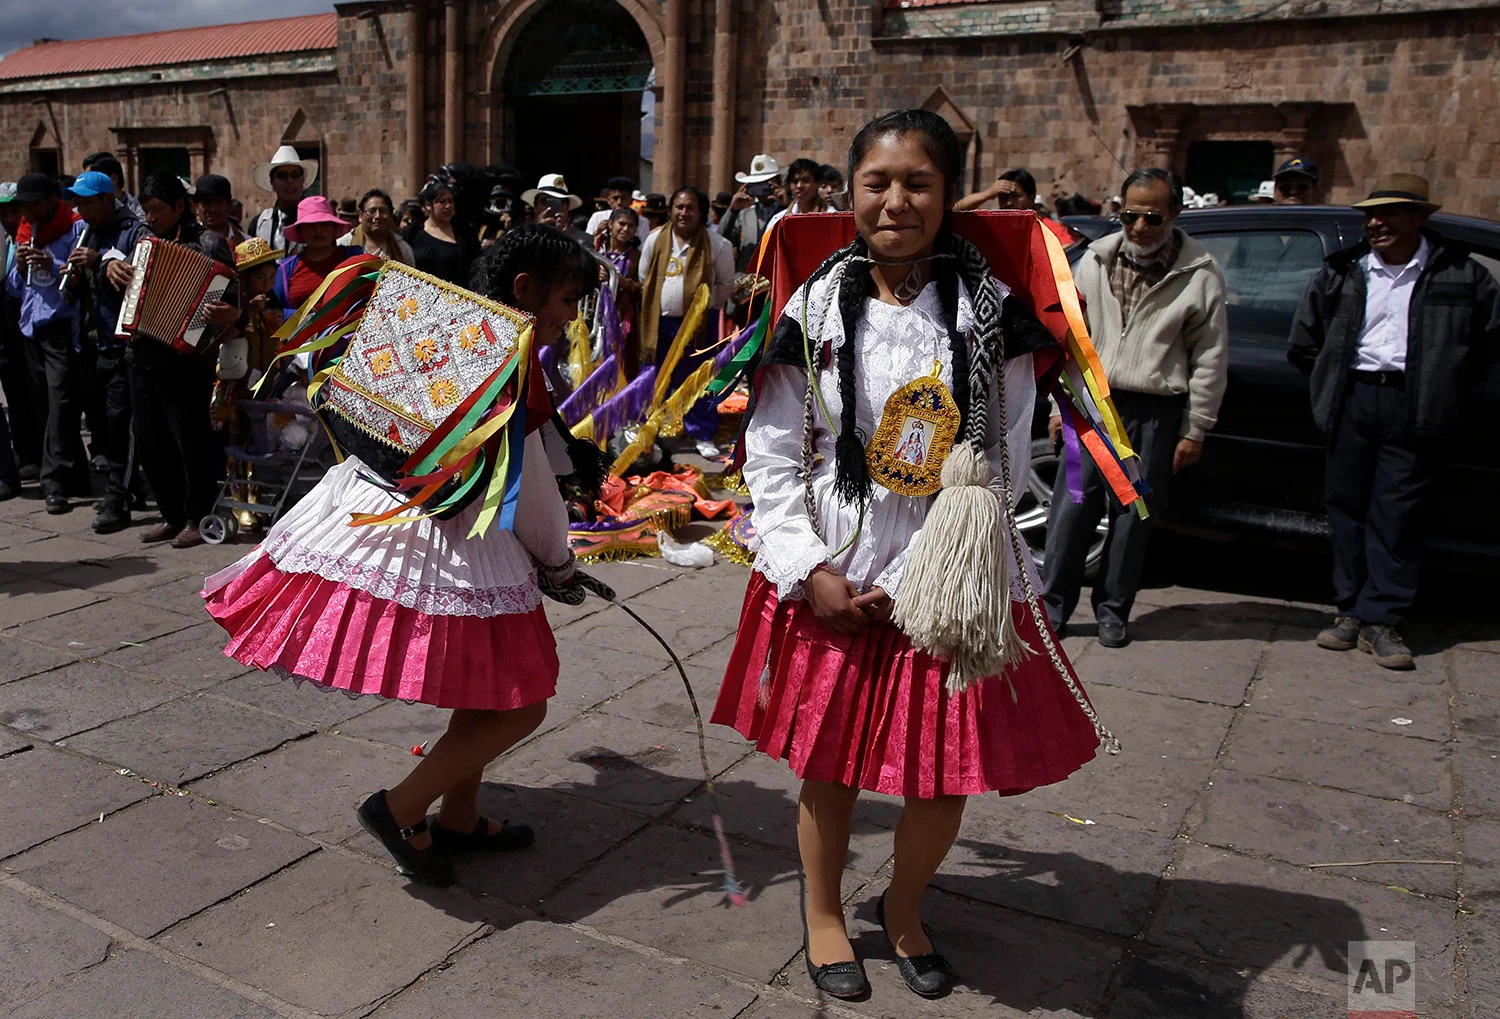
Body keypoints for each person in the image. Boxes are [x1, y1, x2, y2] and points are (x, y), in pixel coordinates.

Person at [711, 108, 1108, 1002]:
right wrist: (810, 567)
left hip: (951, 573)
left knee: (939, 773)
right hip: (833, 564)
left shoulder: (991, 314)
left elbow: (1002, 460)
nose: (896, 201)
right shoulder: (811, 306)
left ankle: (903, 907)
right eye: (877, 183)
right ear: (849, 192)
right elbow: (775, 456)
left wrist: (919, 580)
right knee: (832, 762)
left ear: (949, 194)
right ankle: (821, 914)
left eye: (917, 183)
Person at [202, 225, 610, 887]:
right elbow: (529, 481)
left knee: (489, 682)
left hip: (391, 508)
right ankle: (401, 807)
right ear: (525, 290)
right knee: (522, 699)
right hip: (444, 538)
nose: (571, 315)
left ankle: (460, 813)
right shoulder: (507, 350)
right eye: (567, 299)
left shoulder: (446, 323)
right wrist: (558, 562)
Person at [1289, 173, 1500, 669]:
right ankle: (1348, 611)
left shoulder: (1461, 275)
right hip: (1354, 400)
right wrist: (1330, 387)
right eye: (1370, 214)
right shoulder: (1343, 271)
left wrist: (1447, 389)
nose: (1375, 223)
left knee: (1398, 514)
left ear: (1420, 218)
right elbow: (1305, 342)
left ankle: (1382, 619)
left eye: (1389, 214)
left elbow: (1489, 348)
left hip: (1416, 405)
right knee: (1346, 508)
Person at [1041, 168, 1228, 648]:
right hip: (1092, 404)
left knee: (1133, 516)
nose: (1140, 228)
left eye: (1152, 217)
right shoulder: (1095, 262)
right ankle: (1054, 606)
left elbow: (1210, 357)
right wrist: (1060, 403)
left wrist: (1196, 428)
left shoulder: (1200, 275)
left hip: (1153, 408)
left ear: (1174, 215)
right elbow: (1070, 338)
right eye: (1130, 215)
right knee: (1072, 510)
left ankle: (1112, 611)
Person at [125, 173, 238, 548]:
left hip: (187, 360)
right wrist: (111, 270)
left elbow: (233, 299)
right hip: (142, 353)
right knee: (151, 443)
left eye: (157, 209)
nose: (151, 216)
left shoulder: (210, 243)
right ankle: (171, 514)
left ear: (178, 206)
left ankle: (197, 514)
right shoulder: (143, 244)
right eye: (146, 210)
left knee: (191, 442)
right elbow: (126, 282)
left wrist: (227, 313)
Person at [62, 171, 147, 533]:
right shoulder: (88, 233)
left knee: (120, 425)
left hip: (125, 343)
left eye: (86, 202)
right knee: (104, 422)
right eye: (77, 203)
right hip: (95, 343)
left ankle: (118, 496)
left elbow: (138, 281)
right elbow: (70, 296)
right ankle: (132, 486)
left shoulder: (134, 233)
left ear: (107, 200)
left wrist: (99, 262)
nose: (80, 210)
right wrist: (77, 280)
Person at [4, 173, 86, 514]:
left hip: (60, 328)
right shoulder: (25, 232)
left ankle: (52, 480)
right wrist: (21, 267)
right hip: (30, 328)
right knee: (44, 404)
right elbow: (14, 287)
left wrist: (51, 265)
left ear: (51, 200)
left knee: (61, 402)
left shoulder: (74, 229)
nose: (27, 210)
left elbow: (79, 282)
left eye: (33, 203)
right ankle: (75, 472)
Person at [637, 186, 735, 457]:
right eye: (679, 207)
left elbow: (726, 283)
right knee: (653, 380)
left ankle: (702, 434)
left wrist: (701, 305)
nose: (684, 213)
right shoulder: (654, 240)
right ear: (671, 209)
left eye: (690, 208)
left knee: (699, 380)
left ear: (701, 212)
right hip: (659, 327)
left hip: (697, 329)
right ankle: (647, 432)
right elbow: (645, 277)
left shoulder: (718, 244)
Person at [0, 181, 42, 493]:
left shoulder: (34, 235)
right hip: (7, 329)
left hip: (27, 327)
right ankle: (23, 453)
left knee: (32, 392)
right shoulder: (6, 239)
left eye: (15, 210)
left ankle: (37, 455)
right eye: (5, 212)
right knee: (14, 392)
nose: (10, 216)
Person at [272, 196, 364, 312]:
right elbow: (276, 313)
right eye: (311, 225)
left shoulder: (355, 260)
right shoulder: (285, 270)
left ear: (334, 228)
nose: (318, 230)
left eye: (324, 224)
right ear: (300, 231)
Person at [955, 168, 1074, 247]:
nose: (1008, 202)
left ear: (1031, 198)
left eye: (1016, 196)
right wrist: (987, 194)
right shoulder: (991, 225)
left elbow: (1068, 248)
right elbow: (954, 212)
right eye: (1003, 197)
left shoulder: (1046, 227)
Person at [719, 154, 784, 272]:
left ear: (777, 183)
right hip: (748, 282)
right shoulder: (744, 215)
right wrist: (732, 211)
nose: (761, 190)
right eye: (756, 185)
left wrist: (786, 204)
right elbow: (720, 240)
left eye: (765, 184)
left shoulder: (788, 211)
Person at [597, 207, 643, 374]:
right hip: (595, 316)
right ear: (610, 224)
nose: (625, 229)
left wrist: (624, 282)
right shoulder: (596, 249)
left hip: (622, 316)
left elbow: (642, 288)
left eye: (631, 226)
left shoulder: (636, 255)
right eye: (621, 224)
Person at [249, 144, 318, 252]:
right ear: (272, 182)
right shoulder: (260, 223)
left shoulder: (316, 220)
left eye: (295, 175)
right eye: (282, 176)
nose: (289, 181)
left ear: (302, 180)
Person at [409, 176, 475, 285]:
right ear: (428, 205)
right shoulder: (414, 231)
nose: (448, 206)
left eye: (450, 201)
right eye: (442, 202)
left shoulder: (464, 234)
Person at [338, 188, 414, 265]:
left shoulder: (402, 249)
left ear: (391, 215)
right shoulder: (344, 245)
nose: (377, 216)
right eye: (371, 211)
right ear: (361, 216)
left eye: (383, 211)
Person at [766, 158, 833, 230]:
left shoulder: (831, 218)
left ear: (818, 183)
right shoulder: (778, 221)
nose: (799, 186)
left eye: (806, 181)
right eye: (795, 181)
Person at [192, 174, 248, 246]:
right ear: (197, 206)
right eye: (207, 203)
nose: (213, 209)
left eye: (219, 203)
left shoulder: (246, 244)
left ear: (229, 206)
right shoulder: (188, 245)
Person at [88, 155, 144, 221]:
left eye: (100, 179)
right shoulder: (89, 207)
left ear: (114, 178)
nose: (96, 183)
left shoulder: (138, 207)